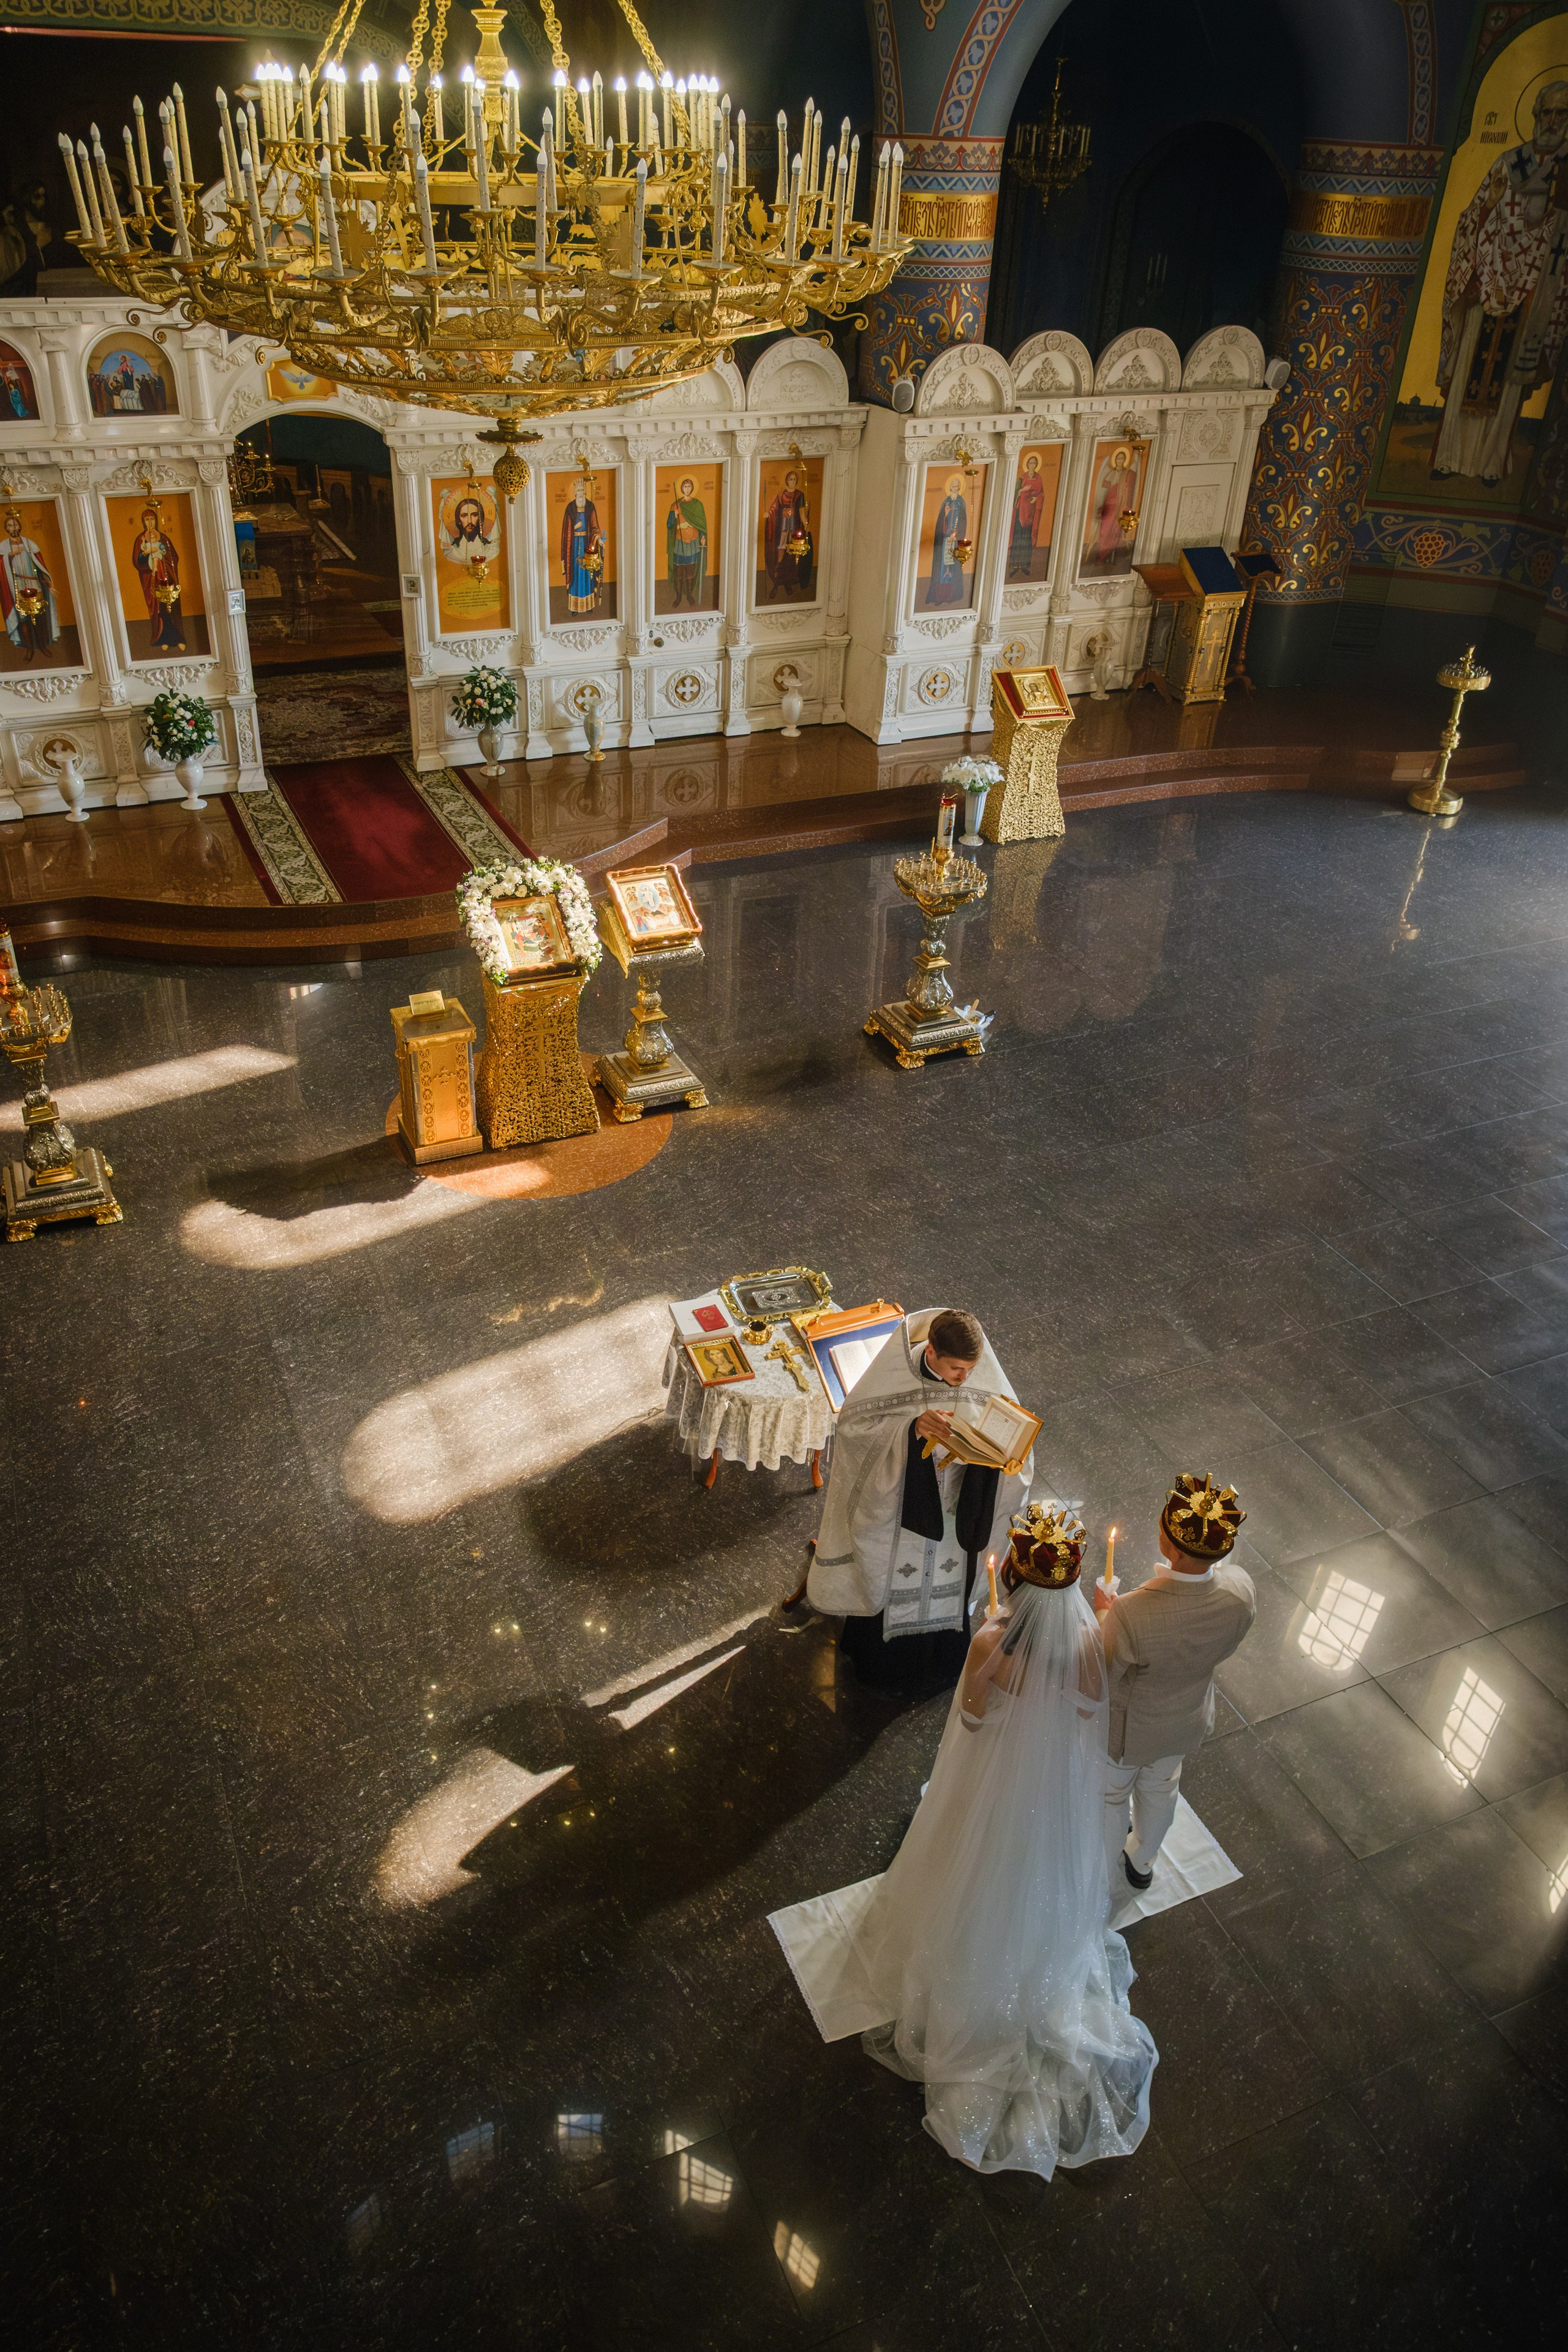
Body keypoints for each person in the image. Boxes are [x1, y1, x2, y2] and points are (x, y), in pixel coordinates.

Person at [848, 1503, 1158, 2176]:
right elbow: (1087, 1711)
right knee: (1038, 1871)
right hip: (1050, 1791)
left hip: (992, 1783)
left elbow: (972, 1712)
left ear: (1013, 1575)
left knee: (970, 1858)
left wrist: (989, 1655)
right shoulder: (1088, 1641)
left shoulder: (992, 1639)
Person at [804, 1308, 1032, 1696]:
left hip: (960, 1512)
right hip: (900, 1515)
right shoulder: (893, 1378)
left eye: (972, 1369)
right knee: (893, 1581)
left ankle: (943, 1661)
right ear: (930, 1352)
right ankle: (883, 1666)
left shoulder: (978, 1378)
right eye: (957, 1369)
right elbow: (855, 1430)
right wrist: (910, 1430)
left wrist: (999, 1454)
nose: (965, 1379)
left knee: (951, 1579)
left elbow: (1015, 1437)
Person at [1095, 1473, 1256, 1895]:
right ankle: (1142, 1860)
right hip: (1186, 1719)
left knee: (1113, 1799)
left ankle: (1105, 1862)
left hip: (1127, 1731)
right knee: (1162, 1791)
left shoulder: (1131, 1611)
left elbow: (1104, 1674)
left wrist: (1101, 1617)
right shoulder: (1241, 1593)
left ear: (1168, 1542)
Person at [1433, 80, 1568, 484]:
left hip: (1534, 293)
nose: (1553, 121)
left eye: (1563, 114)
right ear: (1534, 115)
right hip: (1489, 284)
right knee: (1467, 372)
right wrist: (1480, 265)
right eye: (1548, 112)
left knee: (1511, 379)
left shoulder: (1567, 171)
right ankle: (1448, 459)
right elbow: (1472, 216)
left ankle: (1491, 466)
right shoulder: (1508, 163)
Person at [0, 506, 58, 657]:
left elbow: (40, 566)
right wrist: (11, 555)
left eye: (15, 525)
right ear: (6, 528)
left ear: (20, 526)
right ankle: (29, 649)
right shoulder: (3, 547)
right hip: (17, 585)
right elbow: (1, 567)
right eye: (10, 526)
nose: (13, 528)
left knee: (38, 617)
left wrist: (49, 585)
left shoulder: (29, 544)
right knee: (23, 620)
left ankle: (42, 646)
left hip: (34, 584)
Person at [132, 504, 185, 652]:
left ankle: (178, 639)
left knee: (172, 608)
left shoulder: (164, 538)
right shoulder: (140, 540)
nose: (150, 523)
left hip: (168, 579)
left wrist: (164, 559)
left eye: (152, 519)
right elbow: (138, 561)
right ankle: (162, 639)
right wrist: (147, 554)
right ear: (143, 522)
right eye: (147, 520)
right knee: (159, 611)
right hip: (152, 580)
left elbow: (174, 556)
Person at [763, 467, 813, 599]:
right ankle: (777, 582)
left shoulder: (800, 495)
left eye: (795, 479)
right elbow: (774, 509)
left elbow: (802, 512)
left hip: (794, 527)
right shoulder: (781, 496)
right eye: (791, 479)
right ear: (787, 481)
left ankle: (788, 583)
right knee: (781, 550)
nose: (793, 482)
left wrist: (806, 524)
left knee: (792, 554)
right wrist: (768, 515)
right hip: (783, 527)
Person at [560, 476, 603, 613]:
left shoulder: (590, 506)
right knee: (576, 574)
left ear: (585, 492)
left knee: (588, 572)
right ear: (575, 493)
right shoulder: (570, 508)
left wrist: (599, 539)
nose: (580, 493)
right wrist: (574, 527)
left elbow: (595, 526)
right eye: (578, 490)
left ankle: (589, 606)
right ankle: (575, 607)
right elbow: (565, 531)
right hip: (573, 547)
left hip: (587, 545)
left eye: (582, 490)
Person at [665, 476, 707, 608]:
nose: (687, 489)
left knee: (690, 571)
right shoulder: (675, 505)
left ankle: (689, 595)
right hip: (680, 541)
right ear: (681, 488)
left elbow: (702, 524)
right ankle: (678, 596)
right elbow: (670, 524)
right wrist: (675, 515)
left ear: (692, 488)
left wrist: (703, 535)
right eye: (685, 486)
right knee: (679, 571)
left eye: (689, 486)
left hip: (693, 542)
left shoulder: (698, 505)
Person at [927, 475, 967, 606]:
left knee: (953, 567)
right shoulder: (946, 503)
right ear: (949, 488)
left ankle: (951, 595)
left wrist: (956, 535)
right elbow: (940, 523)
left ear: (959, 488)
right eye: (953, 486)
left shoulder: (961, 503)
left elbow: (963, 521)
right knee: (941, 568)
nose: (955, 489)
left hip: (954, 541)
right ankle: (939, 596)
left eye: (957, 486)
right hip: (944, 541)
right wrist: (945, 513)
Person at [1008, 452, 1045, 579]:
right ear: (1027, 464)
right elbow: (1015, 493)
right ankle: (1014, 564)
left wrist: (1036, 499)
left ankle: (1024, 564)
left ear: (1036, 465)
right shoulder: (1022, 478)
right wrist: (1022, 491)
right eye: (1030, 463)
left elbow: (1041, 495)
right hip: (1020, 512)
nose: (1032, 465)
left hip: (1030, 513)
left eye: (1034, 463)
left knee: (1026, 538)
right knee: (1018, 537)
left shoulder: (1039, 478)